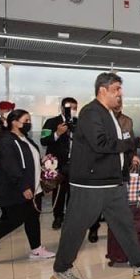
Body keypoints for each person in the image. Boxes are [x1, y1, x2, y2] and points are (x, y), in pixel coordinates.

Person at [50, 73, 140, 279]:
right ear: (102, 90)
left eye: (120, 89)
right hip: (91, 184)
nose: (120, 94)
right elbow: (101, 144)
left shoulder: (108, 113)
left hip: (112, 182)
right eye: (116, 89)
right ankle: (61, 270)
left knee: (124, 225)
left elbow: (114, 144)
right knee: (76, 227)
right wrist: (136, 142)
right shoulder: (91, 112)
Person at [0, 109, 55, 264]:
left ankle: (36, 248)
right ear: (14, 122)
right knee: (15, 219)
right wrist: (23, 186)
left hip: (34, 187)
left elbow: (31, 159)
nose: (29, 123)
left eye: (29, 120)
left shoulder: (25, 138)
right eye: (26, 121)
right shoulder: (6, 140)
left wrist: (45, 164)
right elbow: (11, 166)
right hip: (16, 187)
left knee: (33, 218)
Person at [87, 102, 139, 243]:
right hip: (104, 165)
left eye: (119, 104)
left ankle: (116, 231)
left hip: (123, 165)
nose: (117, 106)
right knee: (98, 201)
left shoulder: (127, 121)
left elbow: (131, 140)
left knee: (119, 200)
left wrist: (134, 155)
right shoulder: (101, 119)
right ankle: (93, 228)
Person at [40, 97, 77, 230]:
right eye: (69, 108)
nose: (72, 110)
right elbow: (44, 140)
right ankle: (58, 217)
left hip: (75, 164)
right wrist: (57, 133)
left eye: (75, 108)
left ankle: (71, 217)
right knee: (59, 193)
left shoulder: (78, 122)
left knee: (73, 193)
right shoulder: (51, 122)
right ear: (62, 108)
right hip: (58, 164)